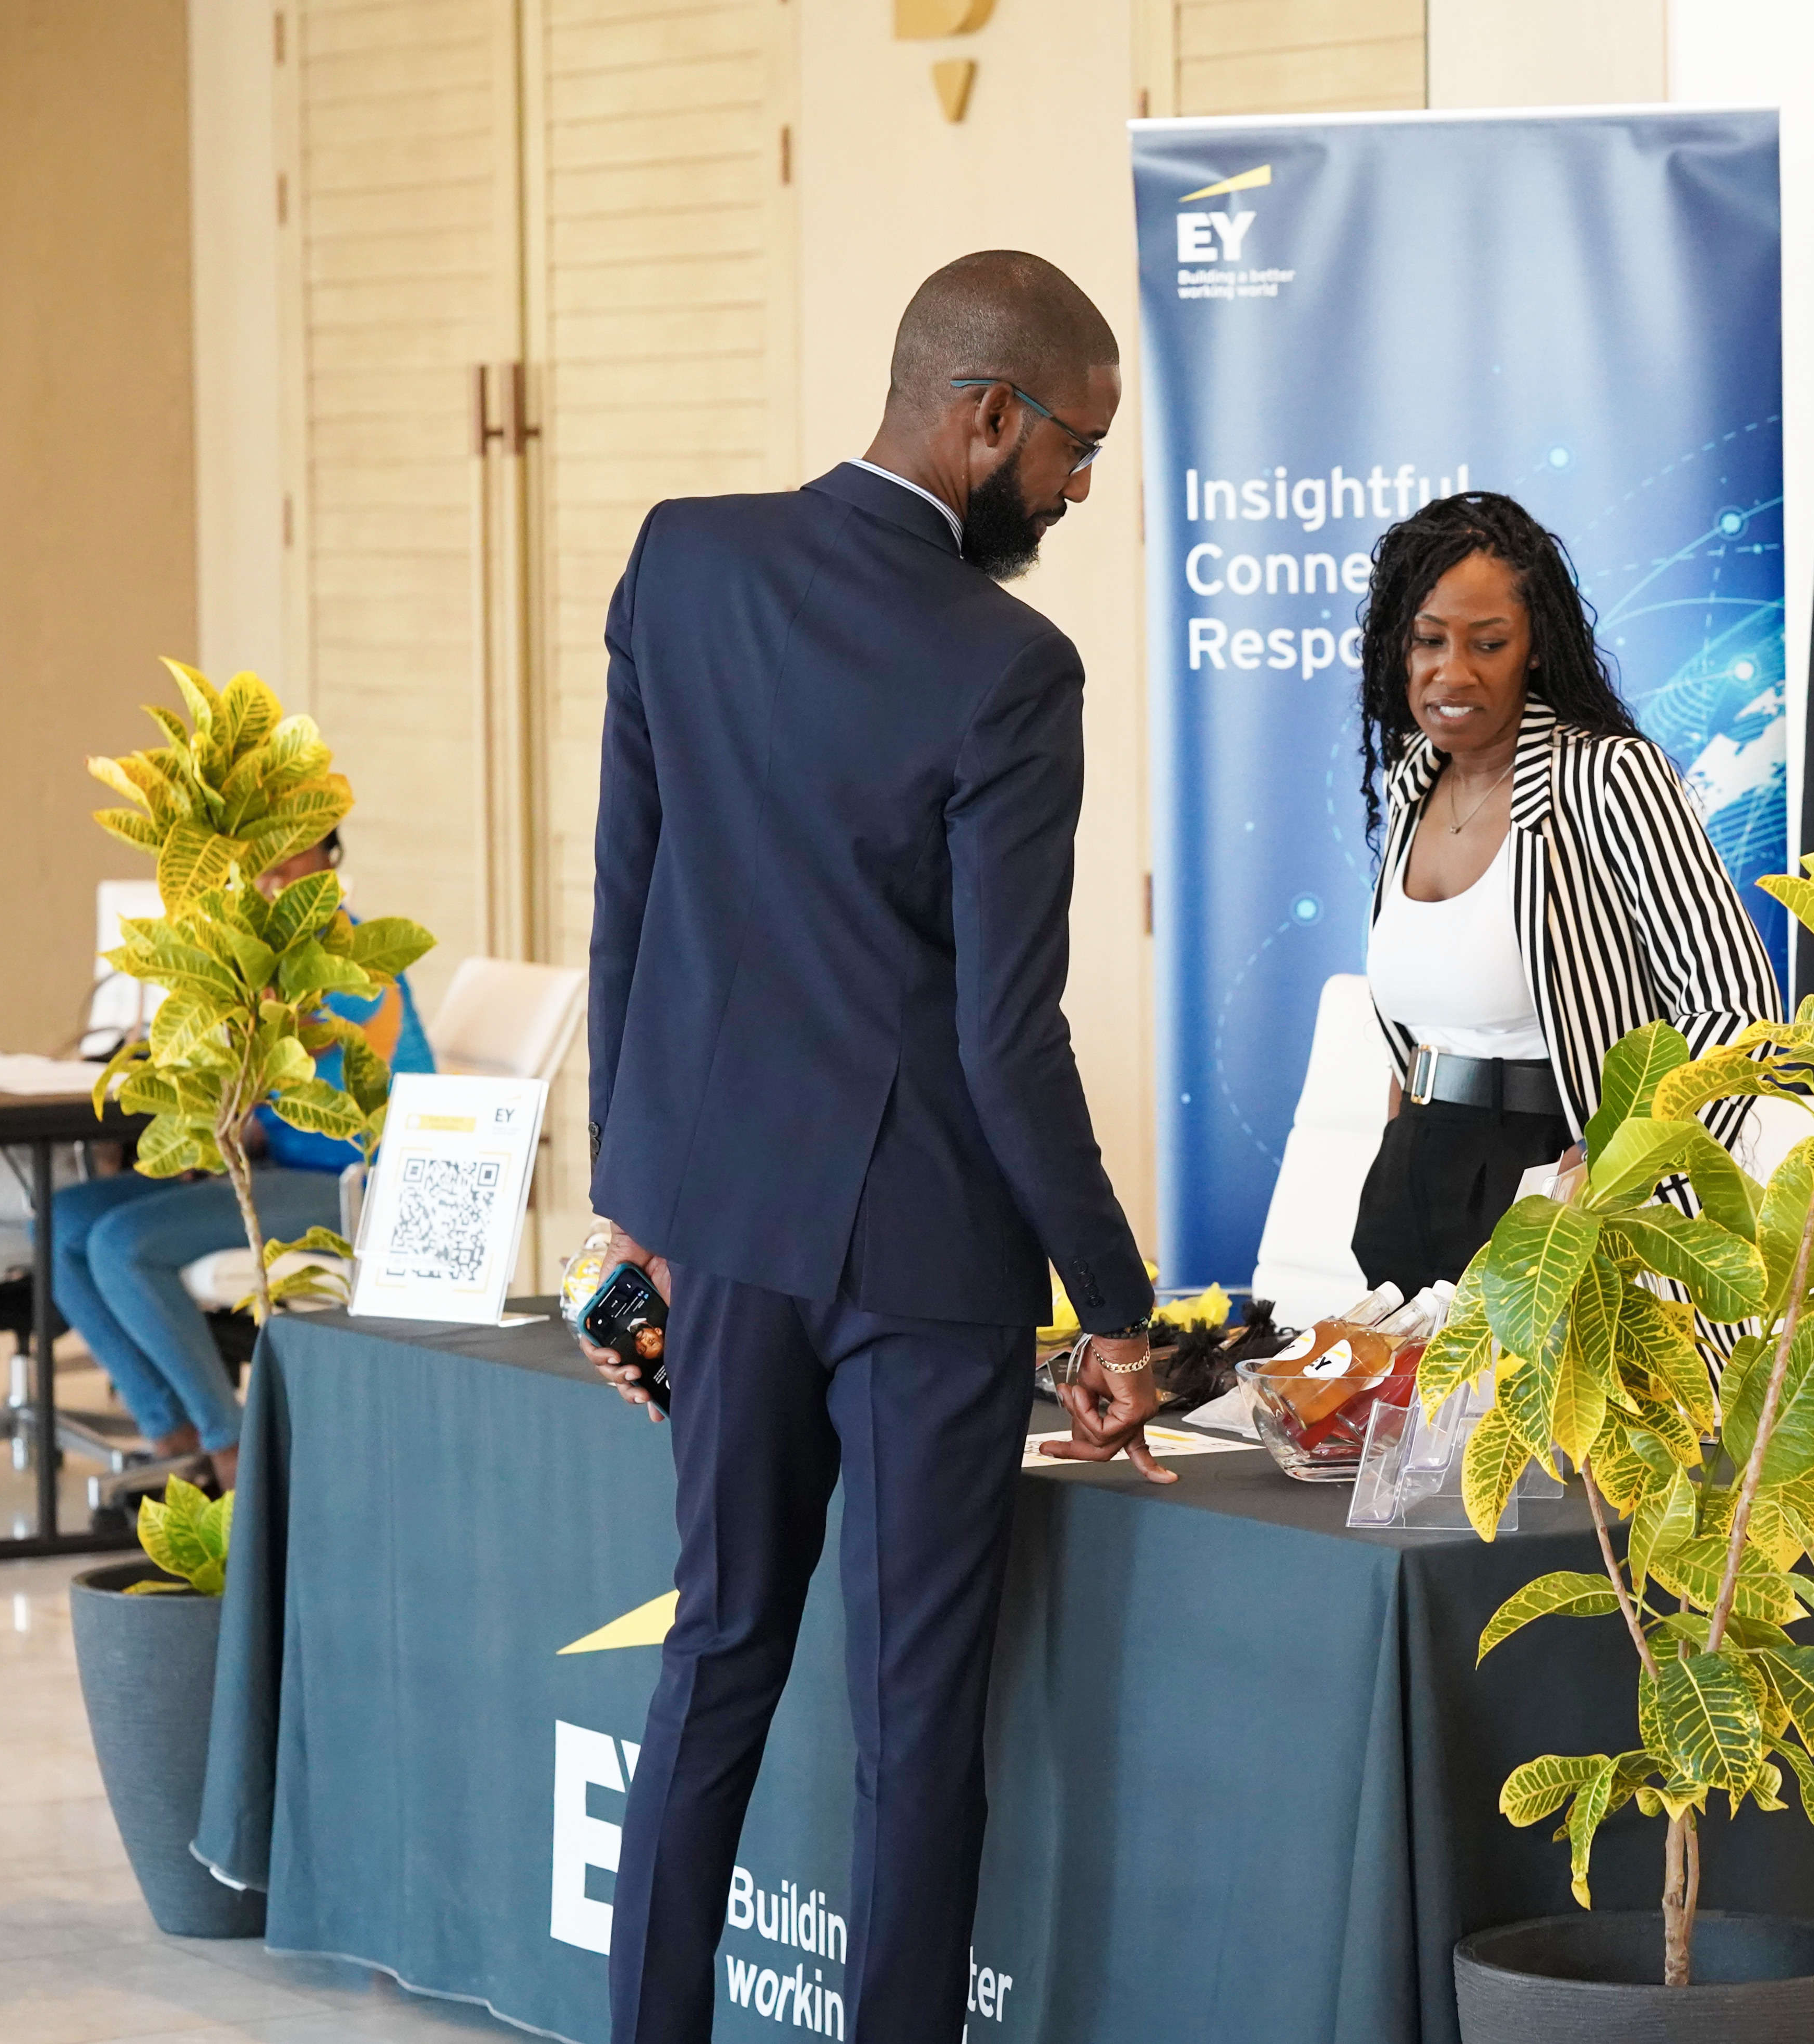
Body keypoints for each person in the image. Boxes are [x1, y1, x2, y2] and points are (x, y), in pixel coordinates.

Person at [577, 250, 1163, 2044]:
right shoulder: (1011, 667)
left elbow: (626, 904)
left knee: (714, 1657)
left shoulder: (682, 561)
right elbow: (1005, 1037)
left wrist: (634, 1204)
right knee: (912, 1729)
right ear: (986, 416)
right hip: (923, 1267)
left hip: (723, 1231)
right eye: (1074, 448)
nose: (1078, 487)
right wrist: (1118, 1304)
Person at [1350, 492, 1781, 1291]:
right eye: (1427, 640)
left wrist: (1619, 1164)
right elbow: (1420, 1024)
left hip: (1555, 1177)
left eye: (1487, 643)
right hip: (1410, 1184)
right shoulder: (1412, 781)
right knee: (1404, 1381)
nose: (1452, 671)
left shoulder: (1607, 777)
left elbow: (1734, 1003)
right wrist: (1400, 1141)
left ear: (1535, 647)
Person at [49, 830, 435, 1490]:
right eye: (258, 854)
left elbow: (275, 1049)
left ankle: (229, 1450)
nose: (274, 869)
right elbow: (257, 1098)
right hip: (279, 1161)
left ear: (330, 859)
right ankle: (169, 1434)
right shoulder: (257, 958)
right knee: (62, 1223)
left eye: (296, 849)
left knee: (122, 1244)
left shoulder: (349, 955)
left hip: (359, 1183)